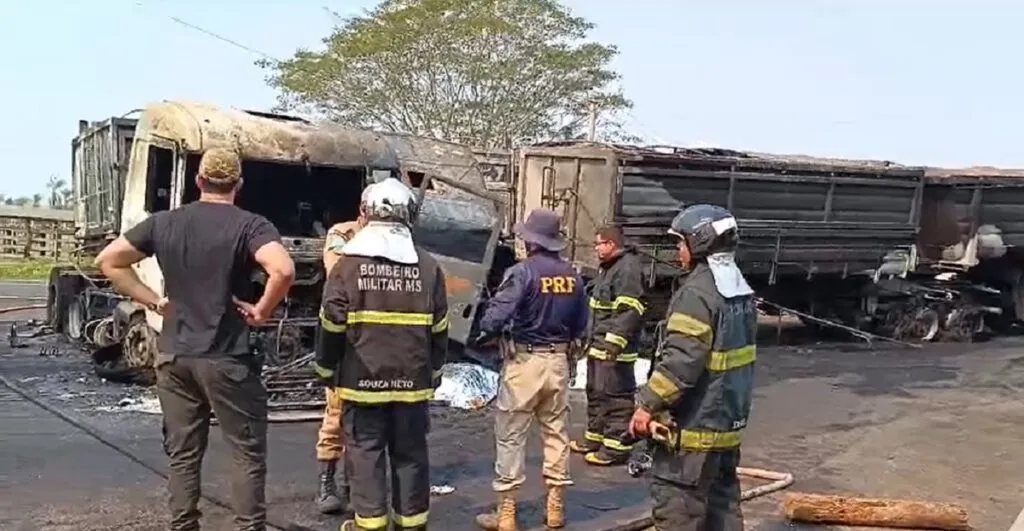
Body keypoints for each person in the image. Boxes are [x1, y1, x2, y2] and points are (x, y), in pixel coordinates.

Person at [94, 147, 295, 531]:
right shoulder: (251, 225)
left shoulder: (164, 223)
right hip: (227, 357)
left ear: (199, 181)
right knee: (246, 452)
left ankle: (183, 525)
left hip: (175, 356)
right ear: (238, 185)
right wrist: (262, 310)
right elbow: (283, 270)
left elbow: (109, 261)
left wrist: (152, 301)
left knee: (183, 453)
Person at [312, 178, 448, 531]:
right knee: (411, 457)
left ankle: (369, 526)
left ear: (366, 212)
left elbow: (331, 324)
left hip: (362, 383)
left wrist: (326, 368)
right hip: (412, 386)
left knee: (366, 455)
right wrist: (433, 374)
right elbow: (439, 330)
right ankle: (412, 525)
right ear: (409, 216)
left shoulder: (346, 266)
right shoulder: (429, 267)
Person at [627, 204, 757, 531]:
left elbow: (682, 361)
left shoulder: (698, 293)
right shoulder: (738, 288)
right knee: (723, 513)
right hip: (726, 430)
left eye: (680, 243)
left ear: (698, 243)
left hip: (692, 435)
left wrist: (647, 405)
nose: (677, 251)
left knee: (678, 512)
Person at [473, 208, 588, 531]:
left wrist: (487, 329)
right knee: (556, 435)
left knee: (511, 436)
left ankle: (506, 514)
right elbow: (582, 326)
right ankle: (555, 510)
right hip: (559, 364)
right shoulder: (573, 276)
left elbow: (494, 319)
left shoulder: (521, 273)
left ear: (531, 242)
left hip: (524, 363)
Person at [569, 224, 646, 466]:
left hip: (615, 353)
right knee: (596, 393)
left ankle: (615, 449)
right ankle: (595, 438)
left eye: (598, 243)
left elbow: (629, 311)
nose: (596, 248)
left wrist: (613, 346)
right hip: (599, 346)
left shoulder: (628, 269)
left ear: (611, 244)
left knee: (617, 398)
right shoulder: (610, 268)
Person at [313, 215, 365, 514]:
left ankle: (352, 483)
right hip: (344, 335)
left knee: (367, 422)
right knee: (337, 412)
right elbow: (338, 273)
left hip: (372, 338)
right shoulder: (342, 233)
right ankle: (327, 482)